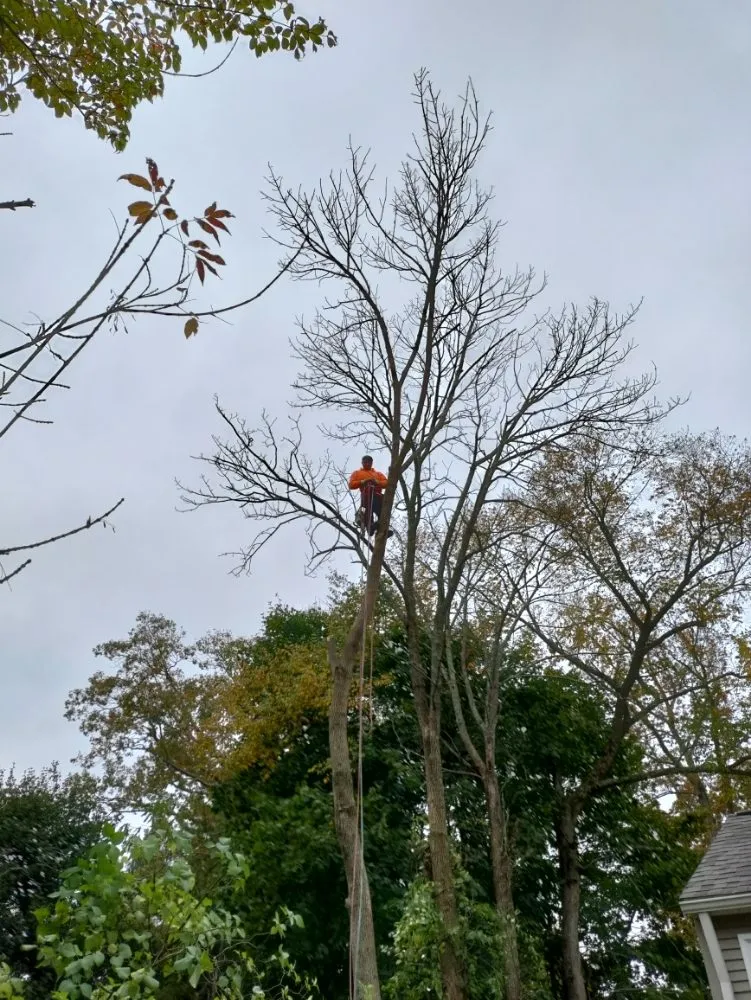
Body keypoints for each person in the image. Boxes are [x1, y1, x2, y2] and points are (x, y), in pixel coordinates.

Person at [348, 455, 393, 537]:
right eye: (365, 462)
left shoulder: (378, 474)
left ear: (372, 463)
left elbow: (386, 483)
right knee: (367, 510)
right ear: (362, 463)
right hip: (366, 495)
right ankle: (370, 526)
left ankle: (383, 530)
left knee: (382, 512)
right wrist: (363, 481)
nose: (367, 464)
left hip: (377, 495)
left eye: (369, 462)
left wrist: (377, 482)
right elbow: (351, 485)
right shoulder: (357, 473)